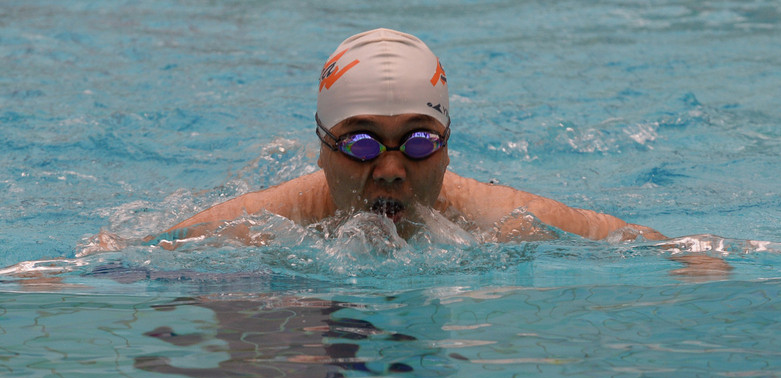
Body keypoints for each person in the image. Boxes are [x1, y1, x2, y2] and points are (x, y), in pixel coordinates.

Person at [144, 28, 665, 248]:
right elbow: (117, 253)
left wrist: (696, 260)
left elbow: (650, 243)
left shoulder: (505, 220)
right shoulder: (260, 224)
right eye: (361, 144)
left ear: (447, 146)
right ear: (323, 149)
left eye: (418, 142)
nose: (392, 171)